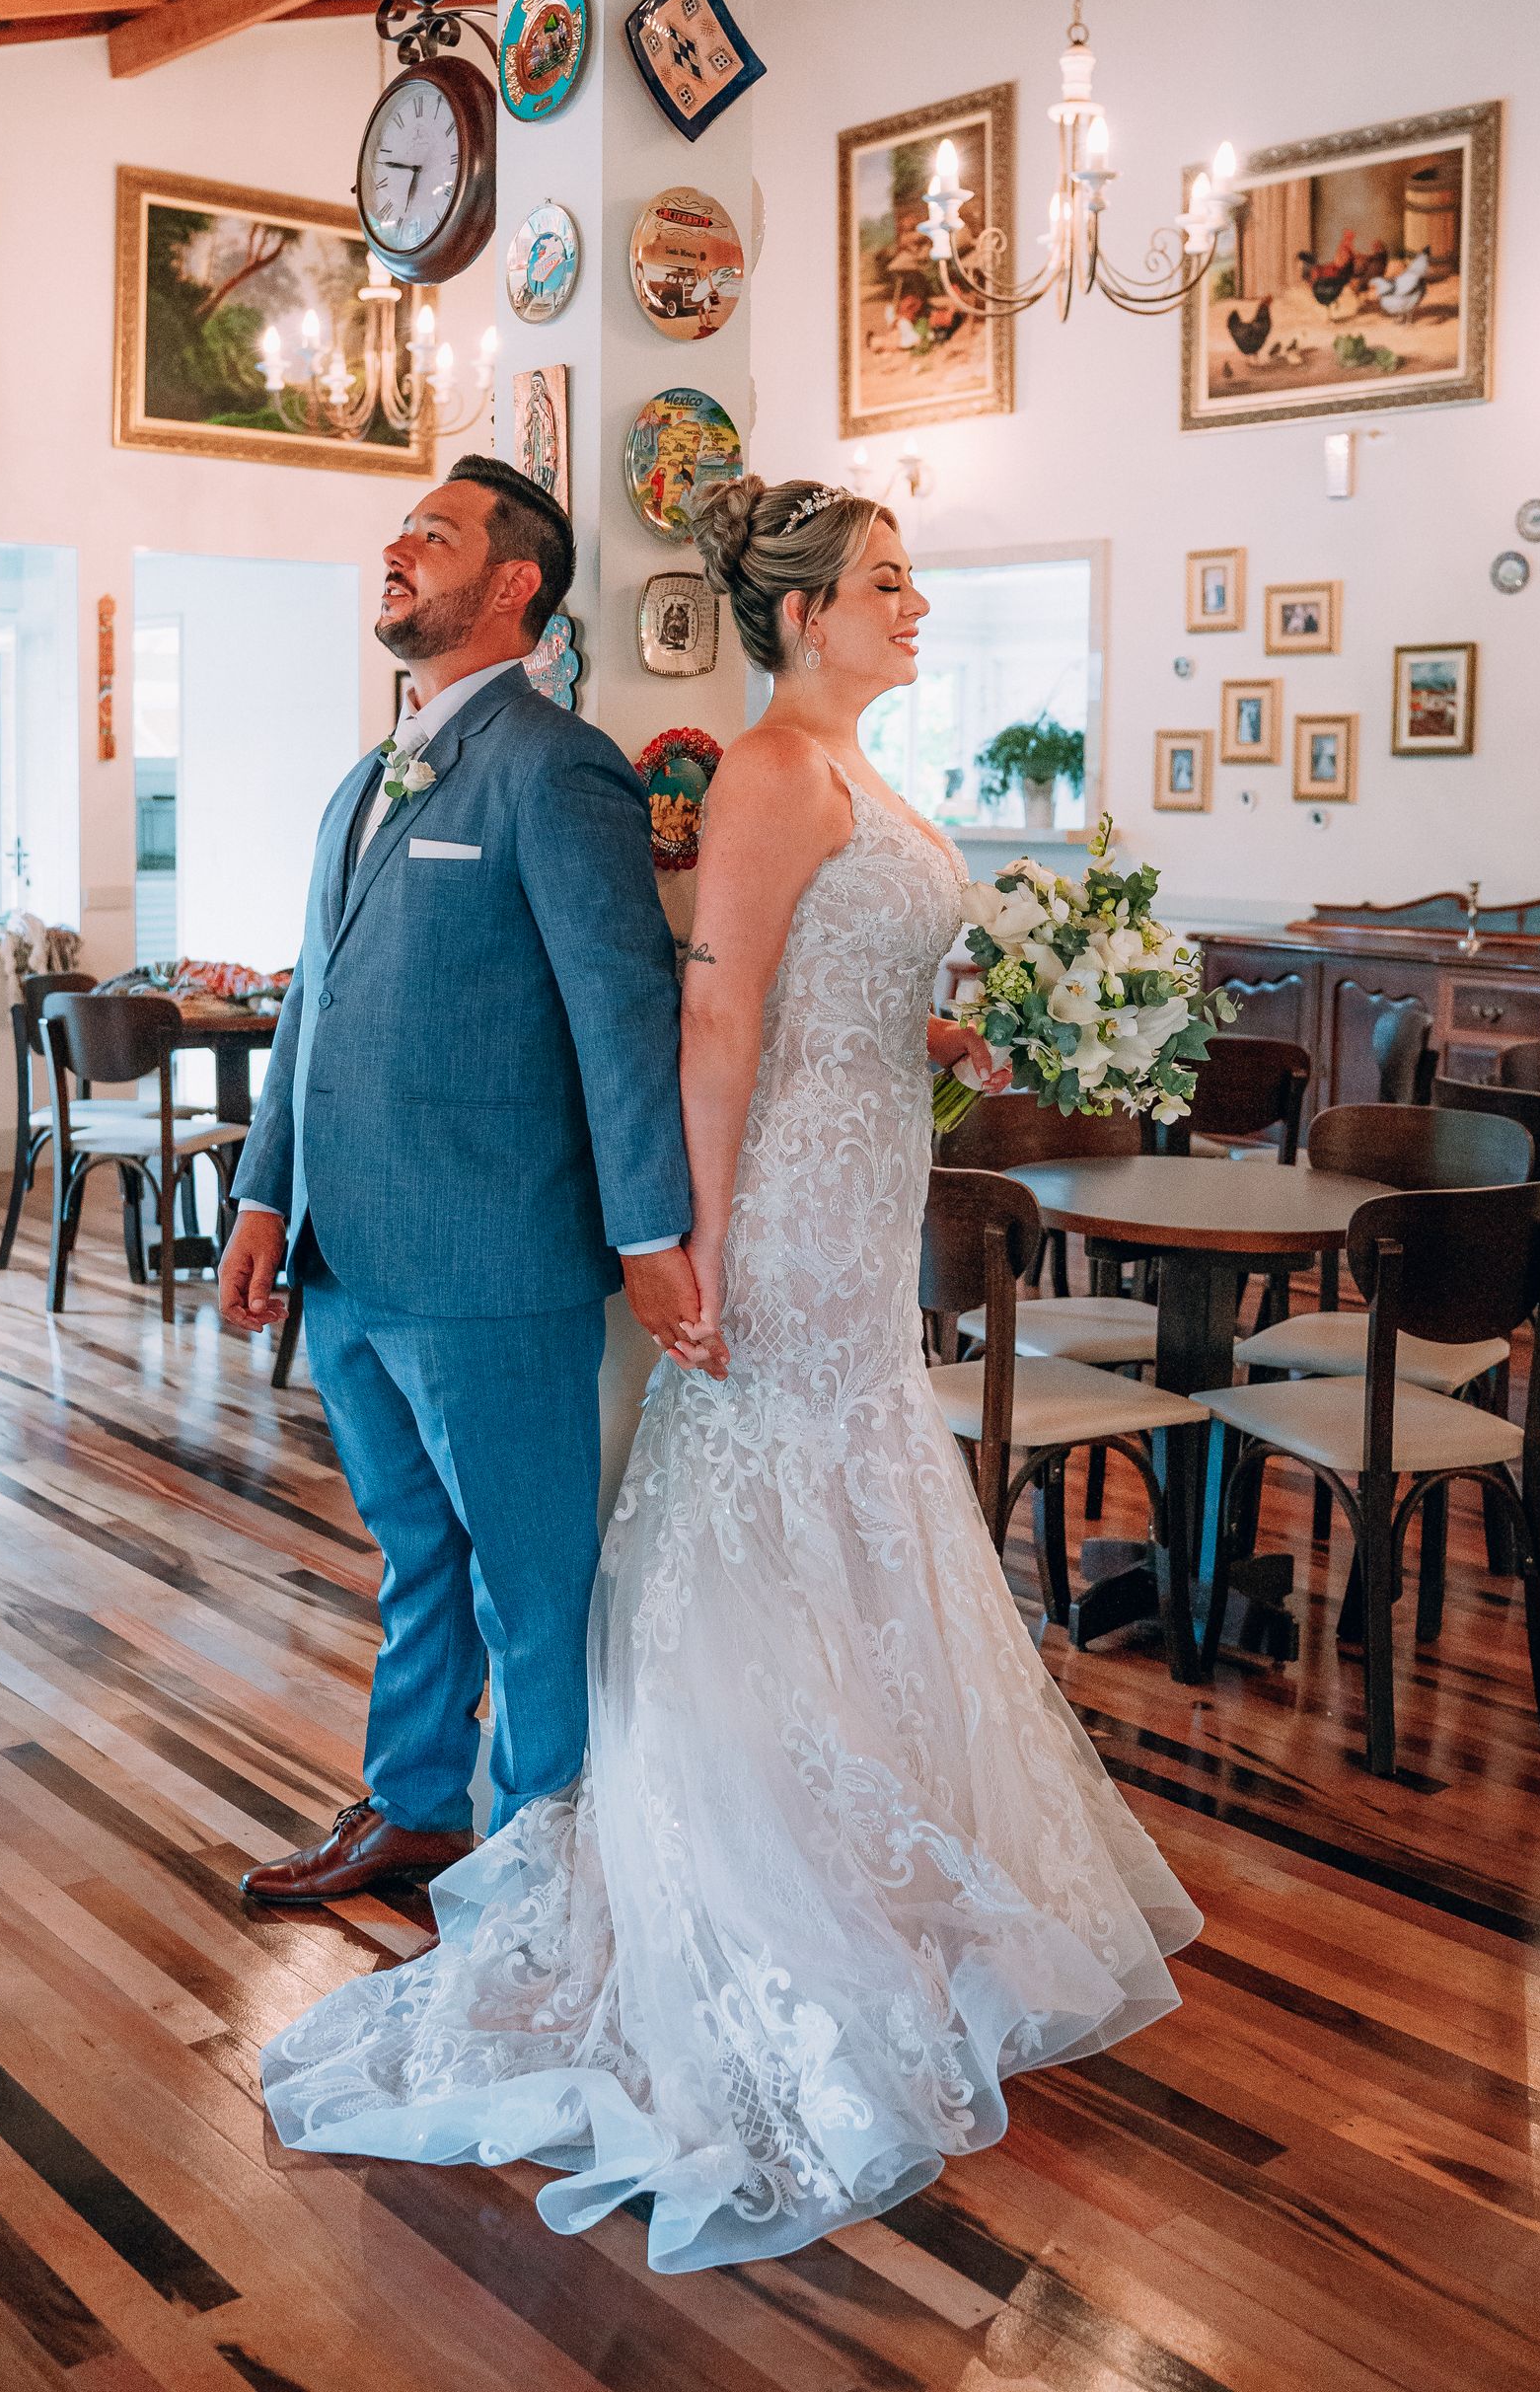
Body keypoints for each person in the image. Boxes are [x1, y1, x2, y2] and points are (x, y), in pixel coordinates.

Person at [259, 475, 1199, 2276]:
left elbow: (796, 999)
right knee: (693, 1529)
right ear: (804, 611)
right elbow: (705, 1012)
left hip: (845, 1197)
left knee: (842, 1515)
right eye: (887, 581)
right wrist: (672, 1229)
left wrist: (993, 1025)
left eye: (912, 580)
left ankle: (854, 1856)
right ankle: (592, 1854)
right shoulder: (759, 775)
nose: (914, 605)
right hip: (754, 1214)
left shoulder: (822, 779)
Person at [220, 451, 697, 1906]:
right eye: (398, 529)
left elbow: (623, 1017)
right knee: (412, 1552)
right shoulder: (369, 776)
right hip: (346, 1259)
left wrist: (652, 1232)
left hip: (494, 1262)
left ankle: (539, 1868)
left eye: (431, 534)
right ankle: (414, 1803)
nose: (397, 548)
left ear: (513, 586)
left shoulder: (561, 771)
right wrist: (259, 1193)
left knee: (528, 1577)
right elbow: (314, 1005)